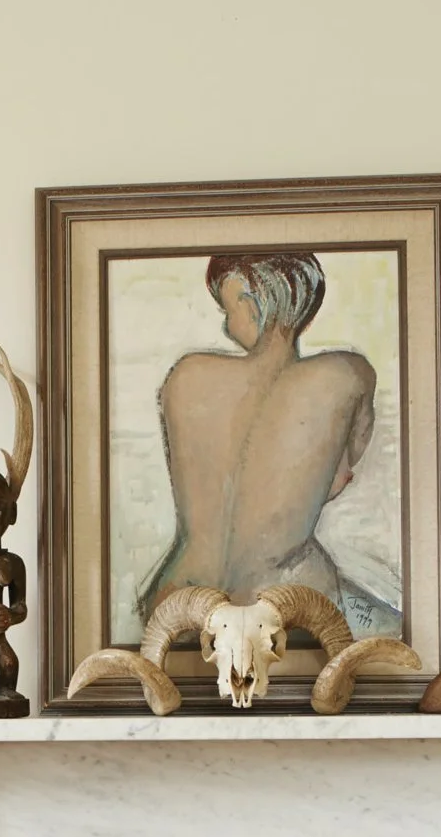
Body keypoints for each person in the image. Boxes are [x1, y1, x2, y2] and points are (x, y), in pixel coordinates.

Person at [139, 252, 382, 623]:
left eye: (227, 311)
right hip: (278, 604)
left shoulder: (187, 375)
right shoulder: (348, 375)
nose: (225, 326)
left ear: (251, 305)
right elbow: (336, 480)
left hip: (178, 602)